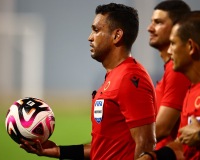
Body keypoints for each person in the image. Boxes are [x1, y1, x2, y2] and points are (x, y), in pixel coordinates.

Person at [20, 3, 156, 159]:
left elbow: (146, 144)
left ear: (117, 36)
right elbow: (102, 147)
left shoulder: (130, 79)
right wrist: (57, 151)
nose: (90, 37)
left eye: (96, 30)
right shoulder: (113, 78)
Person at [138, 11, 200, 160]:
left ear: (190, 47)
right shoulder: (190, 92)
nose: (170, 51)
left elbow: (161, 129)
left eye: (173, 43)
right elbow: (182, 145)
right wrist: (151, 157)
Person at [147, 0, 191, 150]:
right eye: (151, 22)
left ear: (177, 28)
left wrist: (114, 144)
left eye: (158, 22)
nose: (150, 28)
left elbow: (161, 129)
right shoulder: (170, 69)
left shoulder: (176, 70)